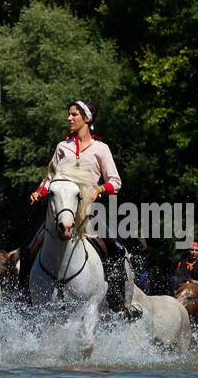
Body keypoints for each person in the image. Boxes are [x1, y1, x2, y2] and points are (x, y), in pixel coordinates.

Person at [22, 100, 142, 320]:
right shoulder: (62, 147)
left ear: (87, 119)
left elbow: (115, 181)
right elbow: (50, 178)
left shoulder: (101, 149)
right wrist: (40, 191)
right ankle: (23, 301)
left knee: (116, 247)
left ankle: (119, 305)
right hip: (61, 209)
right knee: (27, 247)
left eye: (74, 115)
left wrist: (99, 188)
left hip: (90, 212)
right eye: (69, 114)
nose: (69, 118)